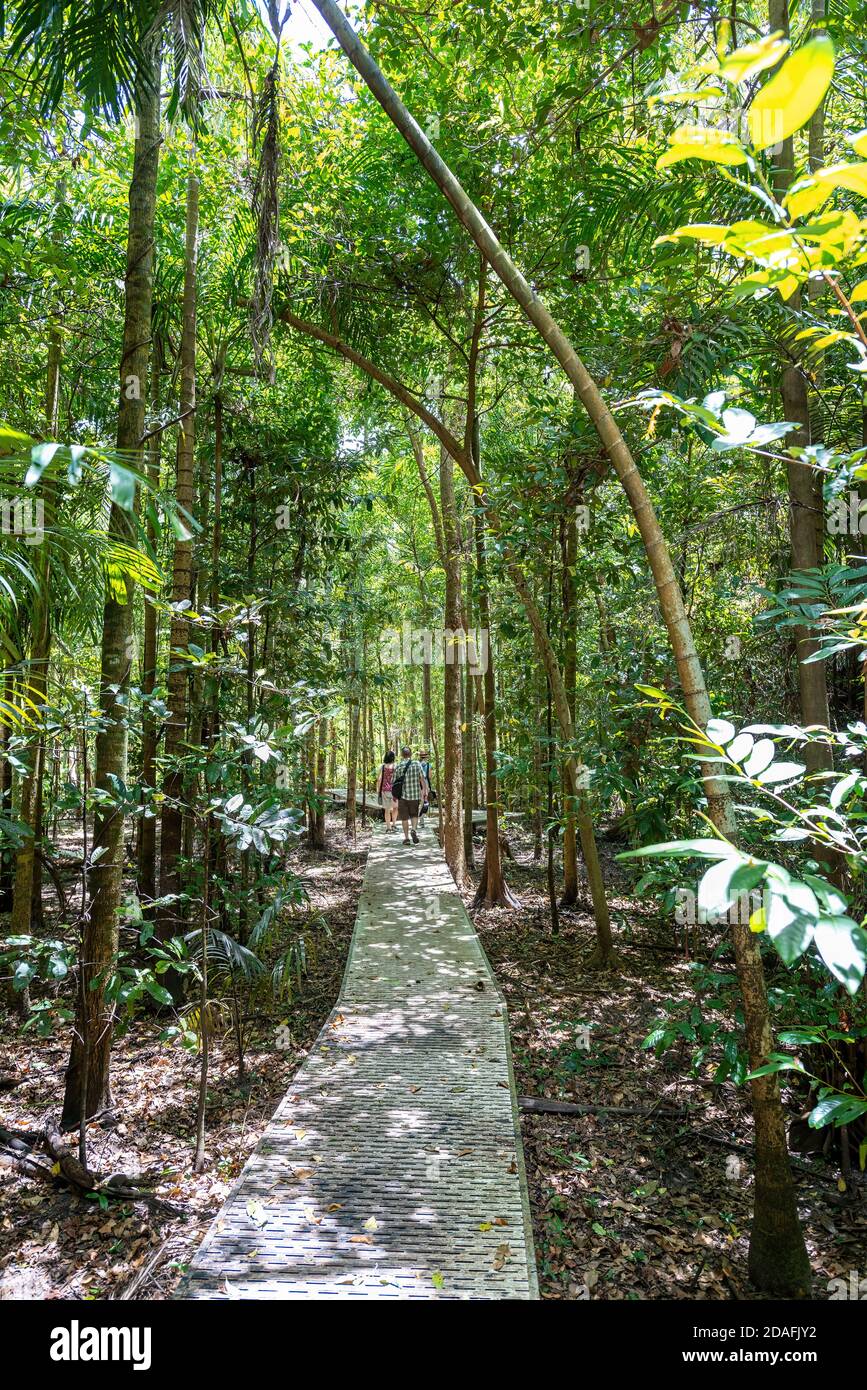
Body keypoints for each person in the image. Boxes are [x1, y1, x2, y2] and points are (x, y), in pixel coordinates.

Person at [392, 745, 429, 846]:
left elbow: (393, 782)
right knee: (414, 814)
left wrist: (394, 796)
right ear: (411, 754)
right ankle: (413, 829)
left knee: (404, 818)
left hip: (402, 797)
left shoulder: (398, 766)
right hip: (415, 795)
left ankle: (407, 838)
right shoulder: (417, 764)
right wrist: (424, 792)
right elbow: (422, 779)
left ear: (401, 755)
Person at [377, 750, 398, 832]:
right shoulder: (395, 766)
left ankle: (388, 827)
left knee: (387, 809)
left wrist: (378, 790)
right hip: (394, 790)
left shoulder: (382, 767)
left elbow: (379, 779)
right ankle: (394, 825)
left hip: (385, 790)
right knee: (395, 808)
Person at [418, 749, 436, 823]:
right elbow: (430, 776)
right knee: (425, 801)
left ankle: (418, 816)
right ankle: (421, 817)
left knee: (420, 801)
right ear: (426, 757)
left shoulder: (417, 764)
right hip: (425, 784)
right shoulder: (429, 765)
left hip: (418, 784)